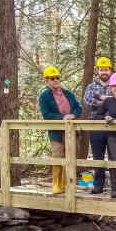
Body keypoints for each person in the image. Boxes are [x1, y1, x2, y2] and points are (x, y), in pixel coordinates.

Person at [38, 66, 82, 194]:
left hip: (72, 131)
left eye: (57, 77)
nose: (56, 80)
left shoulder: (68, 93)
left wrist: (72, 115)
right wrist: (63, 117)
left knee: (71, 158)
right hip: (57, 132)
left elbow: (78, 108)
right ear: (47, 80)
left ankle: (69, 187)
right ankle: (57, 188)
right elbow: (46, 114)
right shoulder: (44, 97)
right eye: (53, 78)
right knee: (57, 159)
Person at [84, 56, 113, 194]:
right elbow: (89, 102)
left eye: (106, 69)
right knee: (98, 157)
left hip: (114, 126)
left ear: (110, 70)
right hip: (96, 126)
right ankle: (98, 185)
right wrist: (107, 102)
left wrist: (100, 99)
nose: (104, 72)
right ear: (98, 71)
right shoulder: (91, 86)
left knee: (115, 156)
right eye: (101, 70)